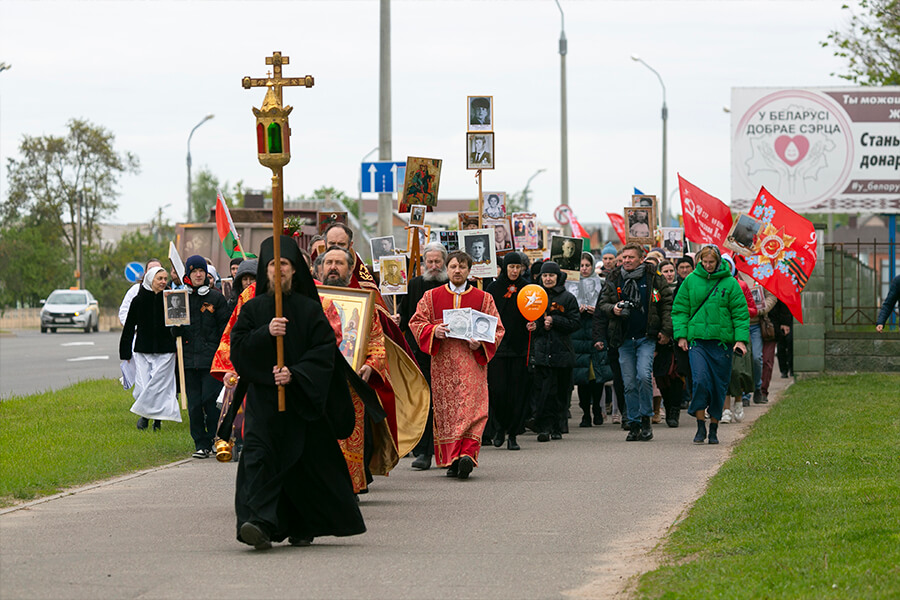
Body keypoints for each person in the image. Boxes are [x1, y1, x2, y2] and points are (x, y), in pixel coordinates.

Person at [230, 236, 365, 550]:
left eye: (286, 265)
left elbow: (323, 352)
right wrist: (267, 332)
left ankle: (303, 524)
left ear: (294, 271)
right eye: (274, 265)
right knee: (259, 458)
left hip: (300, 402)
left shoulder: (309, 309)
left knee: (302, 464)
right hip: (264, 400)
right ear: (266, 270)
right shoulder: (252, 310)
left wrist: (296, 373)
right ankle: (259, 523)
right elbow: (238, 350)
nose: (279, 271)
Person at [409, 251, 505, 479]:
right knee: (447, 412)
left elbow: (497, 329)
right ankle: (453, 459)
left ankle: (467, 456)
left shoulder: (484, 299)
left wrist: (480, 343)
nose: (457, 271)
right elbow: (416, 322)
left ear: (469, 270)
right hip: (444, 366)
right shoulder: (431, 296)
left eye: (462, 267)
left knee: (473, 410)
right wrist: (434, 330)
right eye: (453, 266)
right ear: (446, 269)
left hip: (473, 364)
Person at [320, 246, 399, 493]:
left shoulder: (364, 303)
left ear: (350, 269)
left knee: (350, 439)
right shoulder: (311, 300)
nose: (333, 267)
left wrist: (369, 365)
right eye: (328, 262)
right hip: (318, 381)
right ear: (320, 268)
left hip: (351, 383)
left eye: (339, 263)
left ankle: (350, 489)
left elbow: (377, 343)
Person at [593, 243, 673, 442]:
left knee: (644, 377)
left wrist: (665, 330)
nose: (626, 261)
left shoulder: (653, 277)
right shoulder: (614, 278)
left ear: (641, 259)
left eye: (631, 257)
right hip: (623, 339)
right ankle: (633, 422)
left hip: (646, 337)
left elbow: (666, 303)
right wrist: (614, 309)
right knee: (628, 383)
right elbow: (602, 304)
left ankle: (646, 420)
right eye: (624, 257)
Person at [671, 245, 749, 445]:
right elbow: (680, 310)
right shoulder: (690, 281)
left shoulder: (730, 283)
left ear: (718, 262)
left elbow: (740, 313)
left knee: (718, 387)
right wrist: (681, 335)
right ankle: (699, 425)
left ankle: (713, 428)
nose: (707, 266)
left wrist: (740, 339)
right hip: (697, 342)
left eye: (711, 262)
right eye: (704, 262)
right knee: (700, 381)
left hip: (721, 344)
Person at [397, 243, 449, 470]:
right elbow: (407, 316)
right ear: (423, 263)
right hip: (420, 353)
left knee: (445, 404)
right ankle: (424, 452)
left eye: (438, 261)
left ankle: (447, 452)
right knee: (424, 403)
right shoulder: (415, 284)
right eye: (430, 261)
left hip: (447, 353)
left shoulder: (451, 285)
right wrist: (397, 319)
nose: (434, 266)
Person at [178, 255, 229, 458]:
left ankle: (215, 438)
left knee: (210, 400)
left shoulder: (216, 298)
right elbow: (172, 331)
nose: (198, 274)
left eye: (202, 271)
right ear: (188, 275)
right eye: (194, 271)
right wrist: (175, 329)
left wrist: (221, 352)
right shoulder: (179, 298)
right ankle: (200, 443)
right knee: (194, 404)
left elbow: (225, 328)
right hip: (189, 360)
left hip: (211, 360)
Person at [119, 266, 180, 431]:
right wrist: (125, 351)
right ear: (150, 279)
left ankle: (156, 420)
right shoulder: (138, 300)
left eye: (165, 279)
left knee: (159, 385)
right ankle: (145, 415)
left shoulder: (171, 299)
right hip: (143, 349)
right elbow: (129, 327)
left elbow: (178, 323)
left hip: (165, 349)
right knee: (144, 385)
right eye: (159, 279)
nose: (163, 282)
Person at [527, 261, 579, 441]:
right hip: (541, 353)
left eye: (551, 276)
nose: (548, 279)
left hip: (562, 353)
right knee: (543, 392)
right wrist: (536, 326)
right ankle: (544, 427)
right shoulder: (535, 296)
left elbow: (574, 323)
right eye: (545, 276)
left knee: (560, 393)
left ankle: (558, 426)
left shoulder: (568, 298)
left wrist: (555, 321)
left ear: (558, 277)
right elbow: (533, 322)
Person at [486, 252, 531, 450]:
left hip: (520, 347)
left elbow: (535, 311)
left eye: (517, 267)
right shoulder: (494, 288)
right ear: (505, 268)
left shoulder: (528, 288)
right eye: (511, 267)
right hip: (498, 347)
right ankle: (499, 428)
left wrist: (534, 324)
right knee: (497, 390)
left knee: (517, 392)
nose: (514, 271)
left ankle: (513, 433)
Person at [568, 253, 612, 427]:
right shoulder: (570, 285)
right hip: (578, 333)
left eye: (587, 265)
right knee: (582, 377)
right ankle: (586, 412)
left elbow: (606, 305)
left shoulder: (600, 283)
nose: (584, 268)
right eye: (581, 265)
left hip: (595, 330)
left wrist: (598, 311)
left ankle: (596, 410)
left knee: (596, 376)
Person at [119, 258, 163, 326]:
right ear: (145, 272)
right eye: (151, 269)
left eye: (158, 269)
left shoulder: (167, 291)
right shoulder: (135, 290)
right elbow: (124, 311)